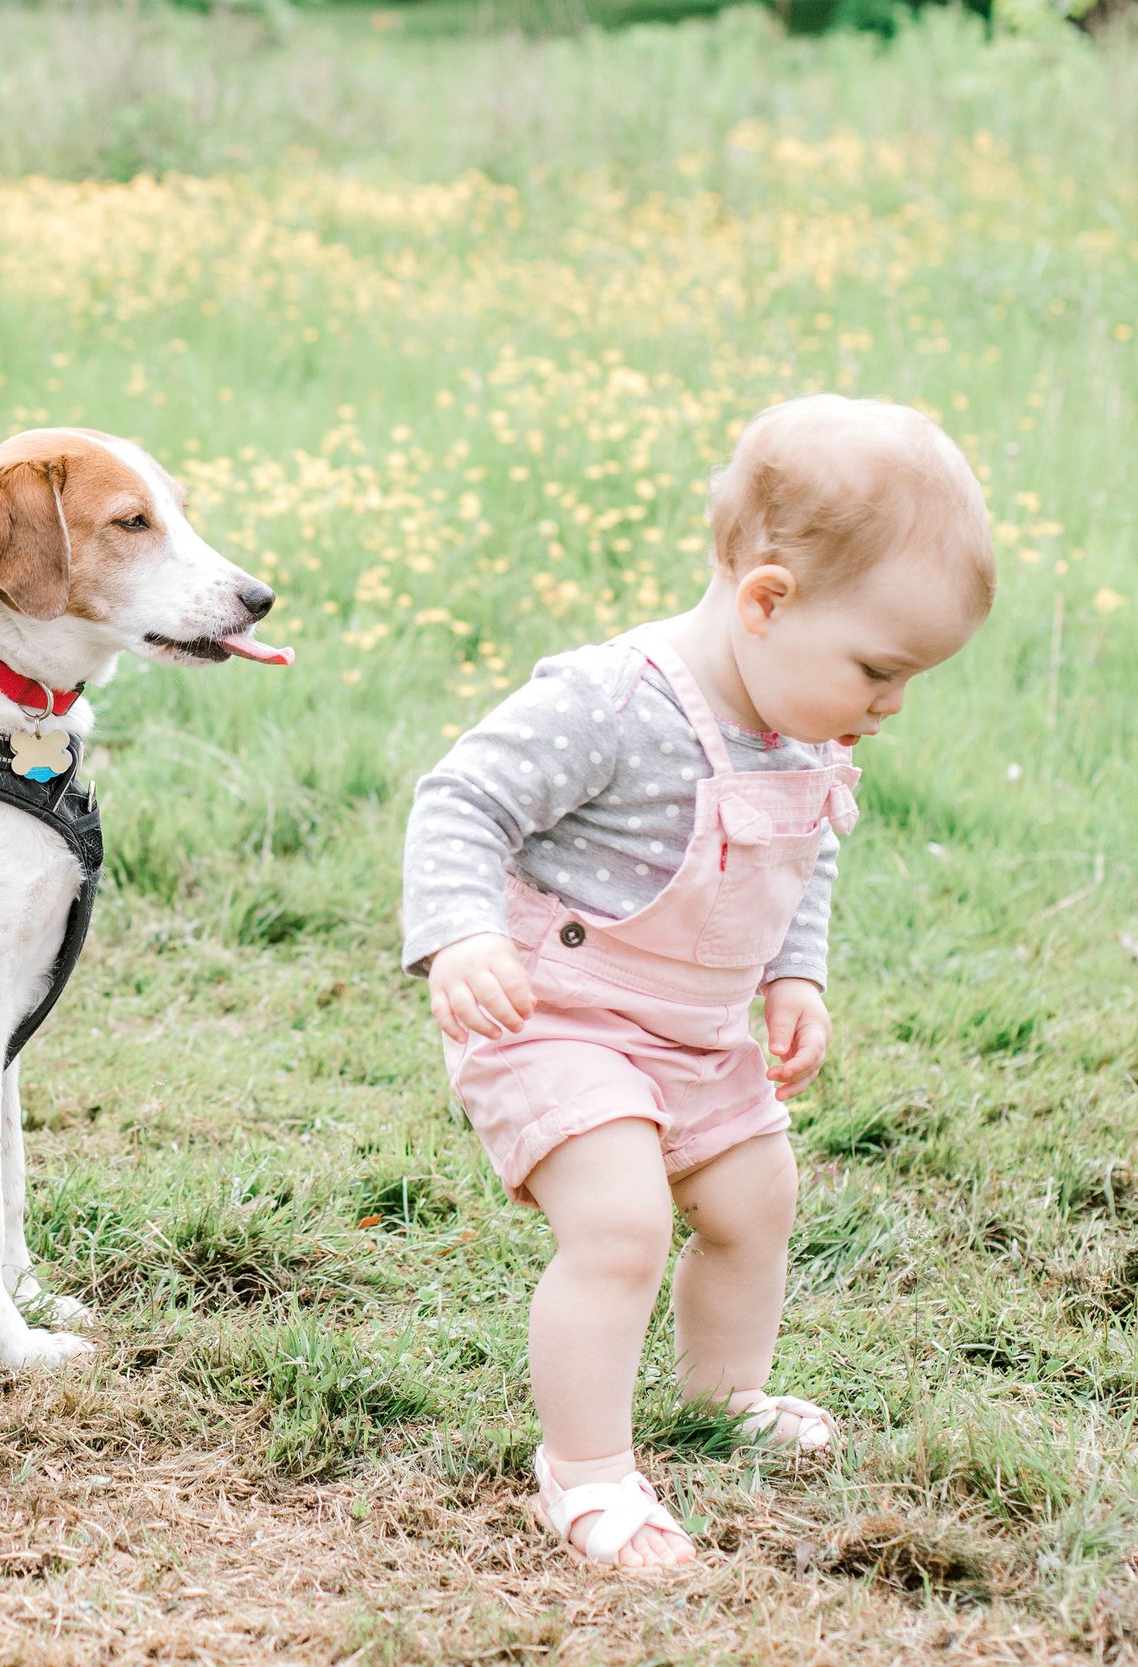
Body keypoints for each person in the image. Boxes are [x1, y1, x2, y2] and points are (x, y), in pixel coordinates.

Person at [399, 394, 995, 1570]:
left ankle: (723, 1396)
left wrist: (794, 972)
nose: (891, 704)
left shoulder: (804, 723)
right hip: (552, 1015)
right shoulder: (615, 699)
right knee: (621, 1224)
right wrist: (459, 934)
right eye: (879, 669)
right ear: (767, 600)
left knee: (752, 1205)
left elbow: (804, 848)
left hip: (697, 1030)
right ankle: (585, 1473)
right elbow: (461, 798)